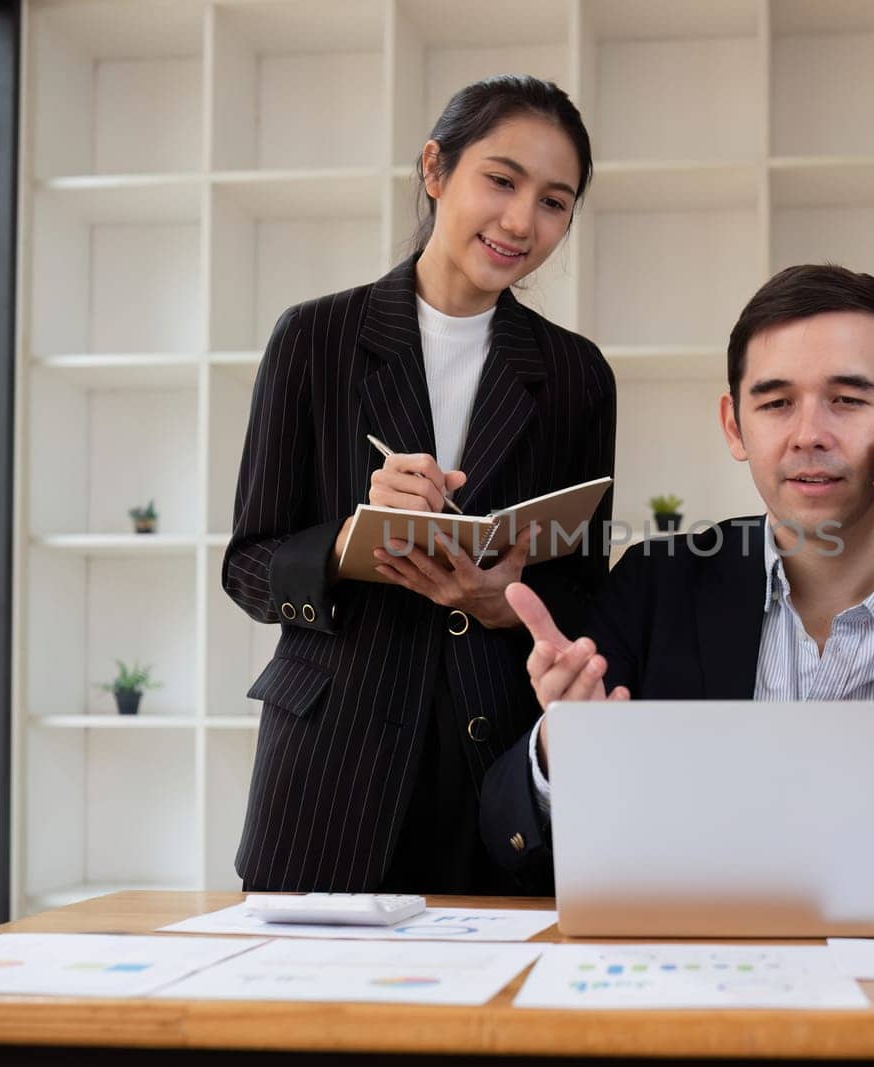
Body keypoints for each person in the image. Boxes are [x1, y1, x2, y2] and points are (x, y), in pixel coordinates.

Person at [480, 264, 874, 901]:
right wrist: (562, 751)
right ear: (735, 425)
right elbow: (513, 849)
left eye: (847, 399)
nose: (809, 435)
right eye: (777, 402)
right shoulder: (658, 585)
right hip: (704, 978)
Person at [223, 76, 614, 894]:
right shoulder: (316, 340)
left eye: (554, 201)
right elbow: (249, 565)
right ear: (435, 169)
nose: (520, 222)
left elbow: (583, 594)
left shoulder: (577, 375)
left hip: (497, 767)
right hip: (330, 769)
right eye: (500, 181)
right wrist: (345, 539)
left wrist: (495, 600)